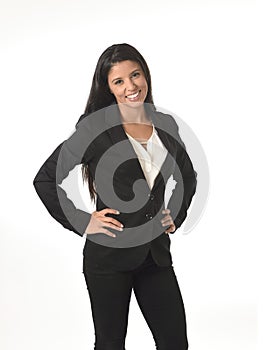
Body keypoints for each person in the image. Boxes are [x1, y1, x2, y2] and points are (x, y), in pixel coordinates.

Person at [33, 43, 197, 350]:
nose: (131, 86)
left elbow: (187, 175)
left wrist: (177, 212)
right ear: (108, 88)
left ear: (145, 74)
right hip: (108, 260)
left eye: (135, 75)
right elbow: (45, 179)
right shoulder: (95, 129)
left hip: (155, 256)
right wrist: (83, 221)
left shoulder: (166, 124)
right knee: (110, 344)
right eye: (118, 81)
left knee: (175, 342)